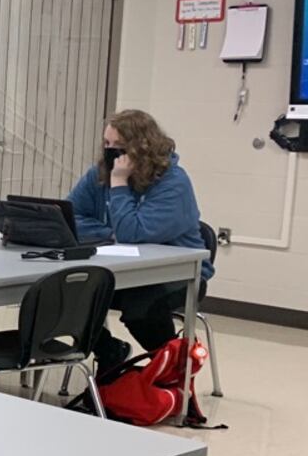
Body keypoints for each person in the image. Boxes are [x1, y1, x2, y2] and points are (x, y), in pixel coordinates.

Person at [68, 109, 213, 365]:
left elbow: (132, 234)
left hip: (177, 274)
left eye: (119, 146)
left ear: (142, 148)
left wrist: (119, 184)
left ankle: (172, 366)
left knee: (140, 309)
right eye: (106, 144)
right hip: (119, 269)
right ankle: (109, 351)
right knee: (66, 294)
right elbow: (70, 217)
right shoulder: (99, 173)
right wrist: (108, 232)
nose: (111, 152)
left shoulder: (173, 182)